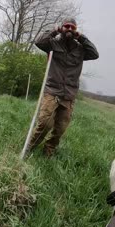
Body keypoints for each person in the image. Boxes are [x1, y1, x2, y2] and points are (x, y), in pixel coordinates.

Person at [28, 18, 99, 157]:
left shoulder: (80, 49)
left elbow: (95, 54)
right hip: (52, 91)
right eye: (66, 26)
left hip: (69, 95)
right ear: (62, 27)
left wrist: (82, 37)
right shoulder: (53, 43)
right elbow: (38, 42)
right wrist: (54, 31)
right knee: (45, 124)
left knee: (60, 129)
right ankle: (29, 148)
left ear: (76, 30)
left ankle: (48, 152)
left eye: (72, 27)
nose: (69, 29)